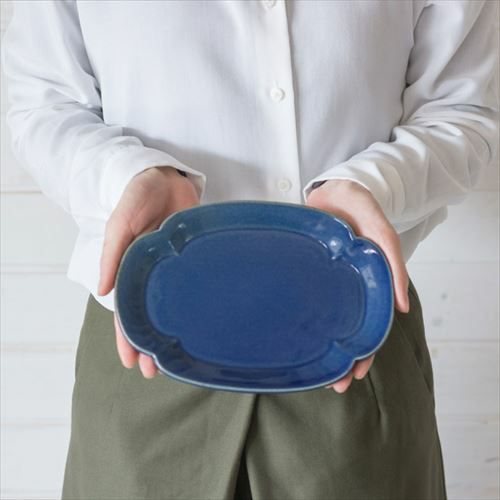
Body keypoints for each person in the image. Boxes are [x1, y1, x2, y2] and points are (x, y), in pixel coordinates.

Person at [2, 0, 498, 499]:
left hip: (354, 339)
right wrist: (128, 176)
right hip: (143, 346)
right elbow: (44, 102)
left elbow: (460, 112)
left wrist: (373, 184)